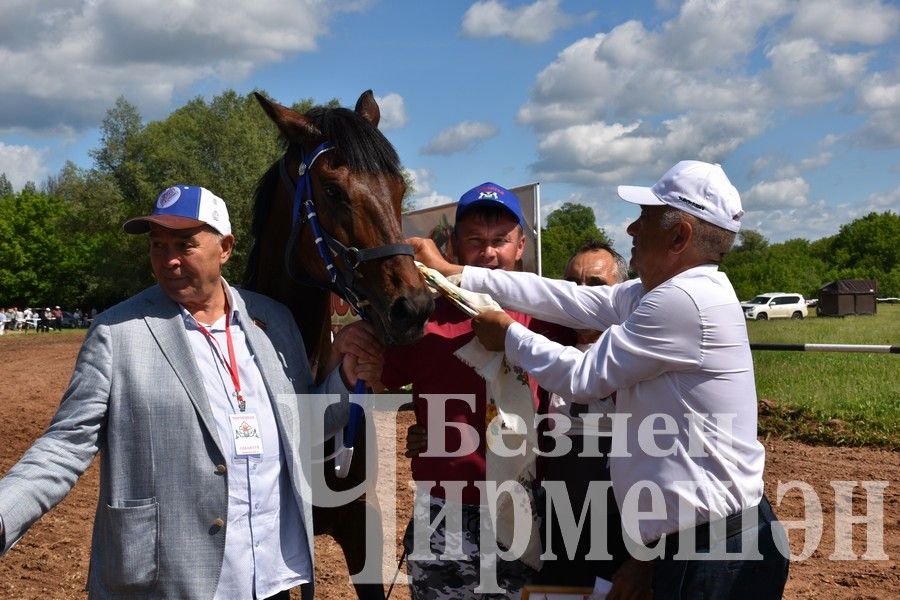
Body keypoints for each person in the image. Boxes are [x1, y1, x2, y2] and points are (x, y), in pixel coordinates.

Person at [414, 161, 790, 599]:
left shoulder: (684, 300)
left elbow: (584, 376)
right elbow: (572, 299)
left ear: (679, 235)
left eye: (644, 218)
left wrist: (510, 337)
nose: (631, 228)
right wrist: (458, 273)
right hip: (698, 541)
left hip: (713, 550)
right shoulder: (663, 290)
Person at [0, 184, 383, 599]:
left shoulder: (273, 319)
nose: (169, 260)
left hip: (272, 572)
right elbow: (66, 445)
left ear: (226, 248)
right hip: (170, 579)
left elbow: (302, 425)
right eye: (158, 245)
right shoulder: (116, 332)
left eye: (185, 244)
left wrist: (342, 377)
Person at [382, 182, 542, 599]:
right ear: (451, 246)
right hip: (444, 514)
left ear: (520, 245)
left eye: (500, 241)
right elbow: (375, 374)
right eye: (474, 240)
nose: (488, 252)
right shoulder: (425, 321)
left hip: (524, 512)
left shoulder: (547, 320)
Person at [535, 241, 630, 588]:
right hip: (556, 526)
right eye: (572, 284)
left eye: (595, 285)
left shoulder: (642, 359)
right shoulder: (541, 350)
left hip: (625, 532)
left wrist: (644, 560)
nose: (581, 295)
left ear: (621, 293)